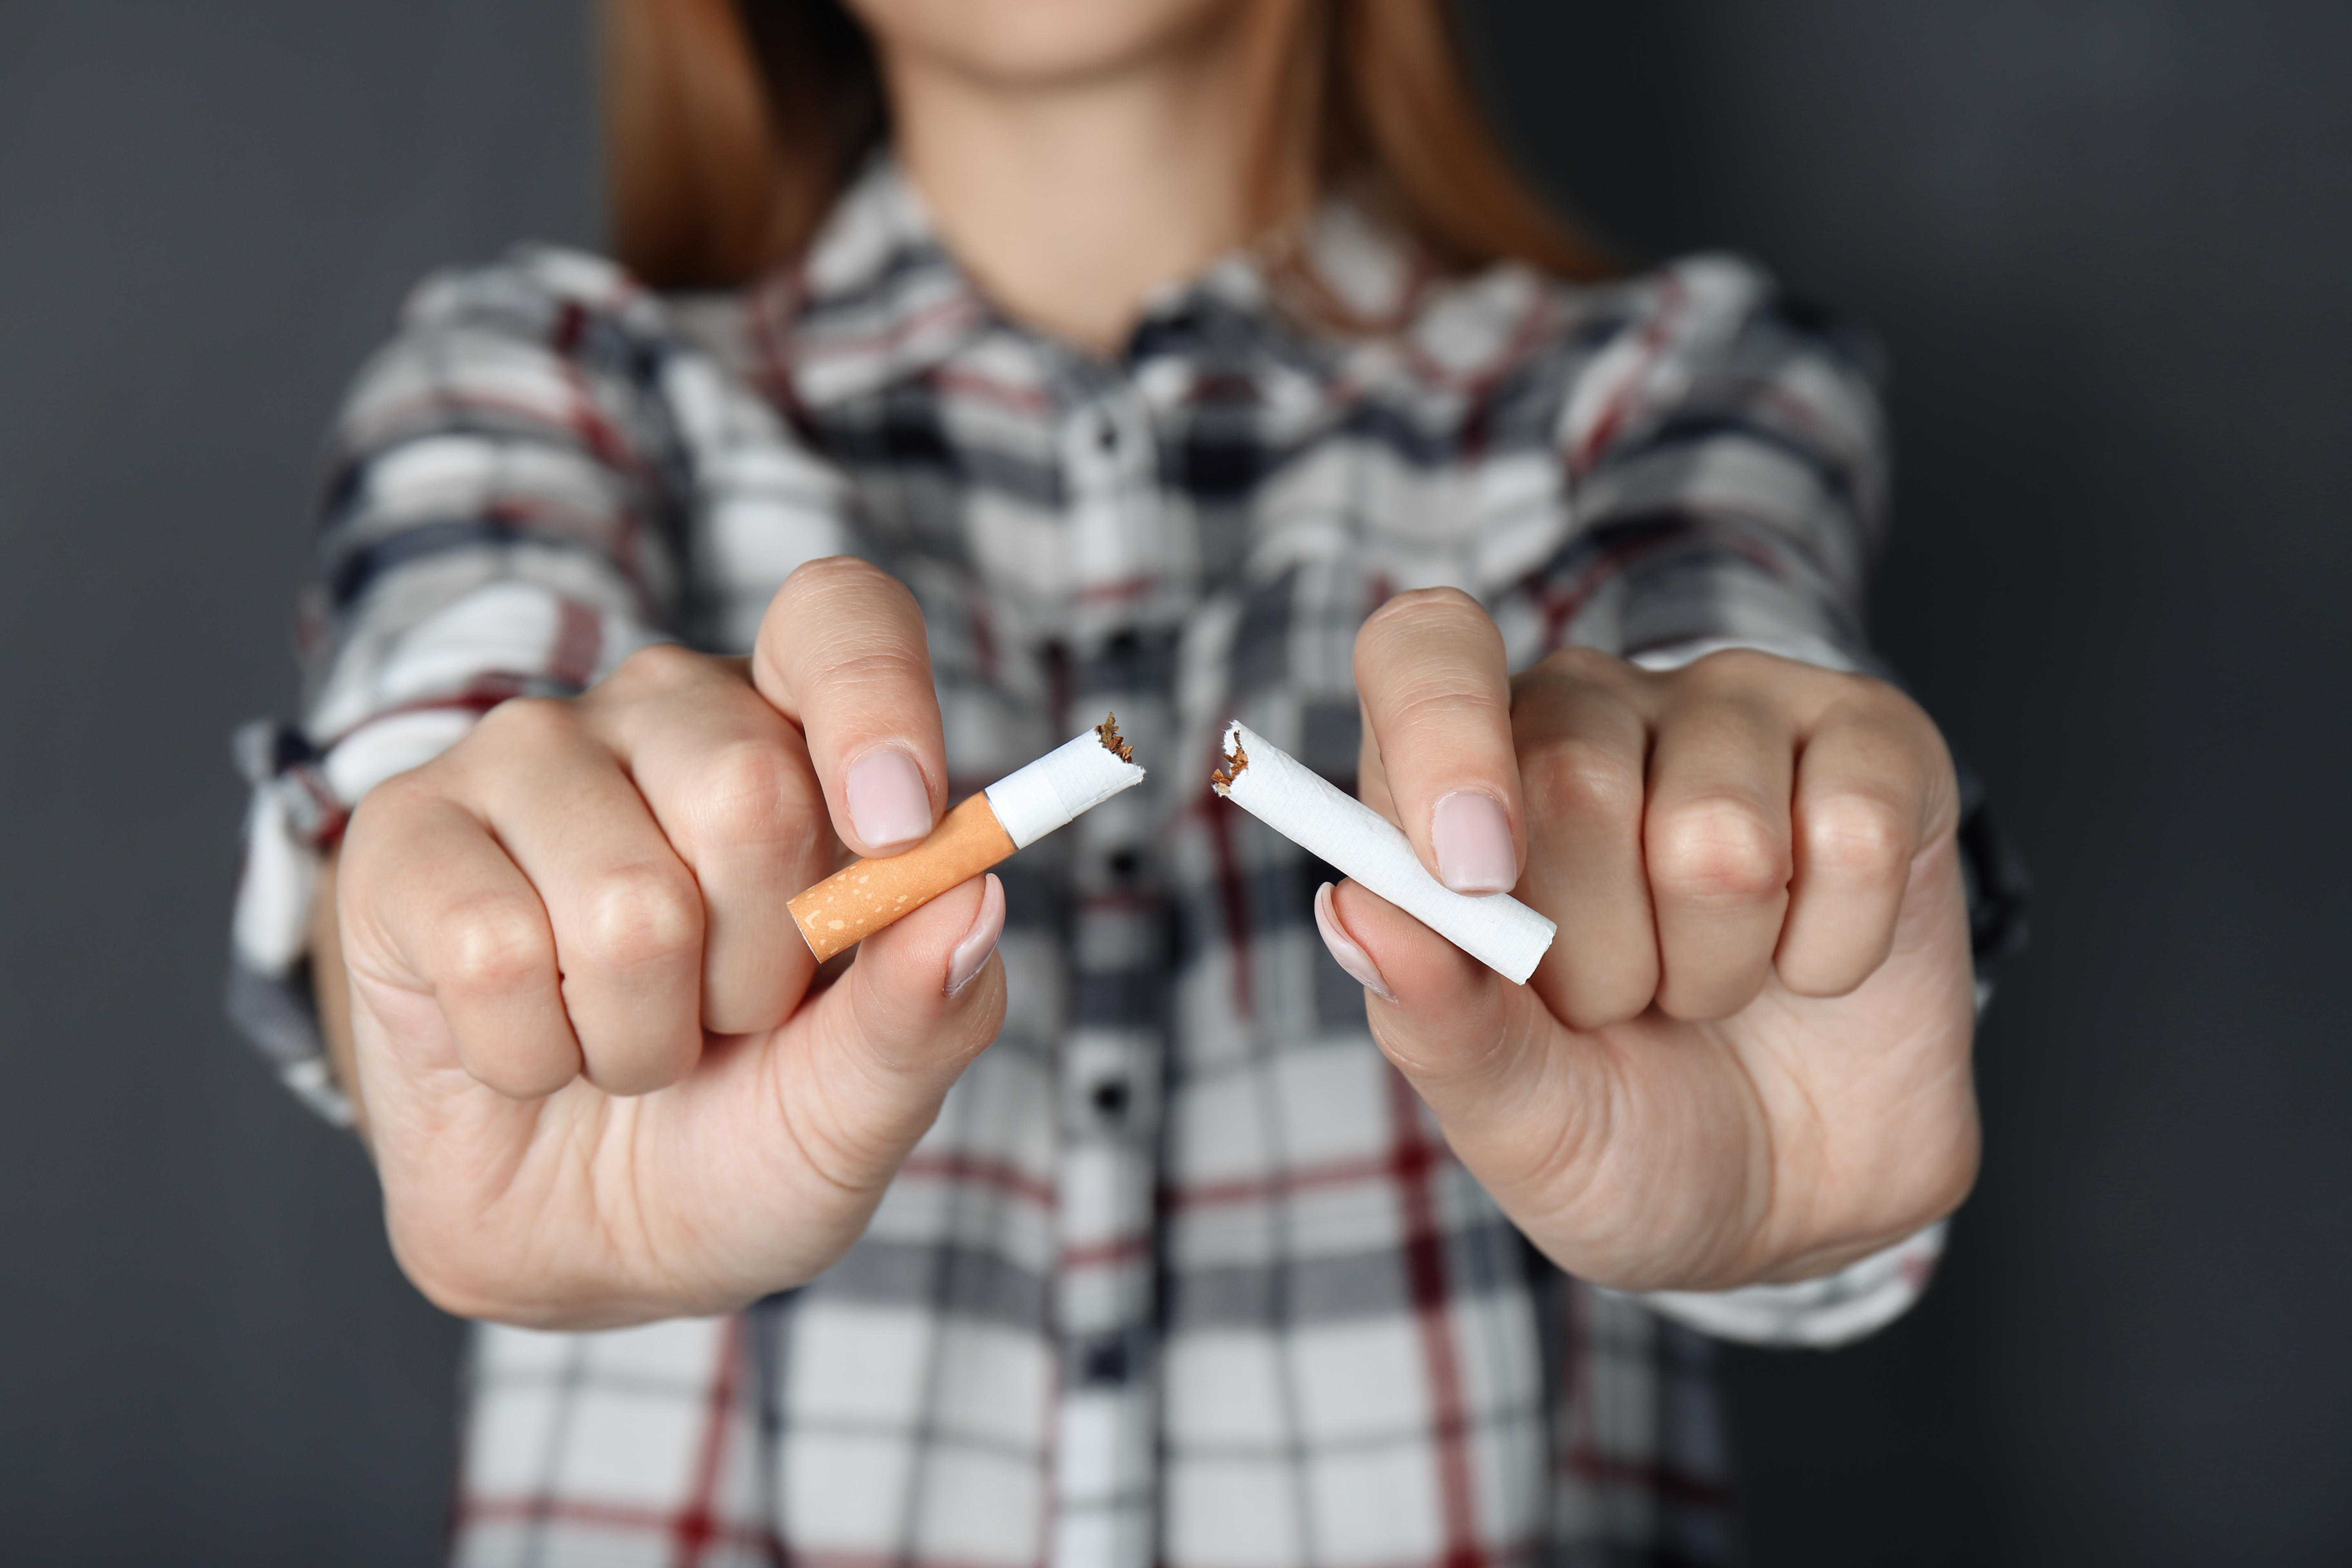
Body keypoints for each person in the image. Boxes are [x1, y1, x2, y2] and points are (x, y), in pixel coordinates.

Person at [227, 0, 2001, 1562]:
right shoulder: (541, 386)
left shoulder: (1674, 391)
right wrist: (467, 938)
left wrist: (1765, 871)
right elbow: (444, 718)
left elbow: (1715, 631)